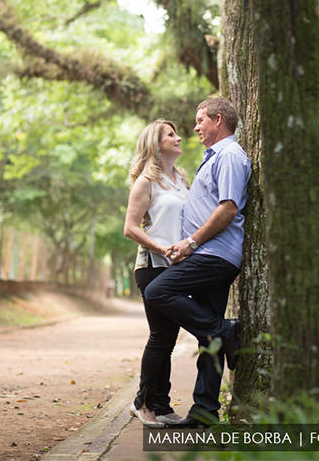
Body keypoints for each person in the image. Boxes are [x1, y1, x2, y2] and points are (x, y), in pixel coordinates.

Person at [144, 97, 252, 427]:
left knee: (157, 292)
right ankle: (205, 411)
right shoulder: (214, 158)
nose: (195, 128)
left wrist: (191, 242)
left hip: (213, 255)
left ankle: (225, 330)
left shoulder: (230, 156)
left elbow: (228, 207)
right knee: (209, 340)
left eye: (200, 120)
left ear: (218, 120)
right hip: (207, 253)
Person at [123, 119, 189, 428]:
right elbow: (130, 227)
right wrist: (162, 249)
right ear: (156, 144)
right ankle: (142, 402)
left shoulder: (181, 179)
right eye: (171, 135)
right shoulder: (146, 181)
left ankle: (161, 404)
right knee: (161, 336)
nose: (178, 138)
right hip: (152, 266)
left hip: (178, 266)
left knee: (169, 338)